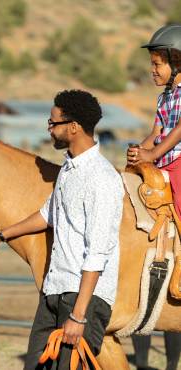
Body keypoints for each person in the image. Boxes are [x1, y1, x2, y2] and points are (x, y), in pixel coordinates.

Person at [0, 90, 124, 370]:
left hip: (83, 299)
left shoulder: (102, 179)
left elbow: (98, 252)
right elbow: (48, 214)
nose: (49, 128)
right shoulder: (68, 170)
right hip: (55, 290)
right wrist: (0, 235)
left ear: (73, 127)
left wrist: (79, 315)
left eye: (53, 122)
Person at [127, 24, 181, 370]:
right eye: (152, 62)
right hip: (164, 157)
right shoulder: (163, 98)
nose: (153, 69)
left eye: (159, 62)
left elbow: (178, 132)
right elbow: (157, 132)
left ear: (177, 61)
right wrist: (139, 151)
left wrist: (155, 151)